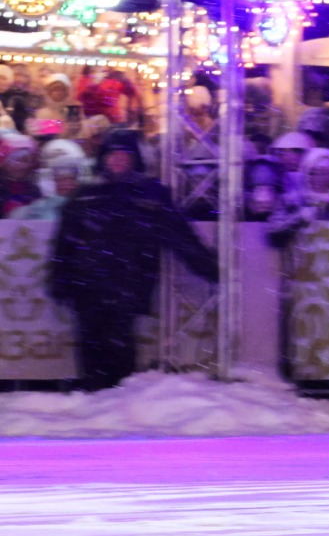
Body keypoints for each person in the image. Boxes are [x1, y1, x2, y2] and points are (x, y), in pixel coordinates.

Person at [48, 130, 218, 391]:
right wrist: (59, 278)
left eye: (124, 155)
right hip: (88, 287)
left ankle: (117, 401)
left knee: (120, 351)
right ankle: (95, 401)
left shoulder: (150, 195)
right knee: (90, 353)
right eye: (112, 154)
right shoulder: (86, 195)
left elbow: (180, 235)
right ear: (103, 158)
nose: (117, 160)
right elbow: (65, 242)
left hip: (127, 285)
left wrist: (207, 266)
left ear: (135, 158)